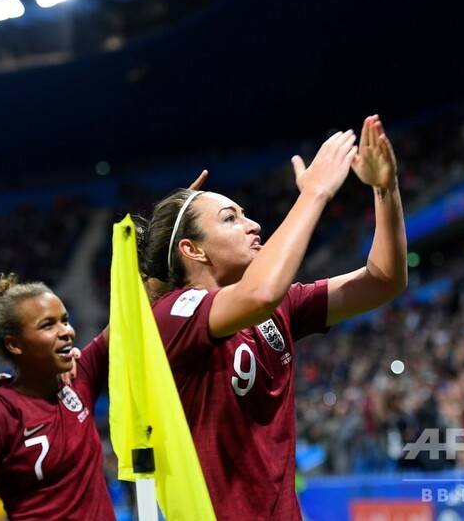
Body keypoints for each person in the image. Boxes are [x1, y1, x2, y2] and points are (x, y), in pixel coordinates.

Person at [135, 115, 408, 520]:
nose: (254, 225)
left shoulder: (279, 307)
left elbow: (384, 279)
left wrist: (385, 189)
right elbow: (258, 293)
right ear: (193, 249)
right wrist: (314, 193)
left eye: (244, 214)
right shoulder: (173, 314)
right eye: (230, 219)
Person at [0, 275, 115, 521]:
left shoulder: (79, 378)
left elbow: (128, 317)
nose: (66, 332)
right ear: (14, 344)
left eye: (65, 320)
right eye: (48, 325)